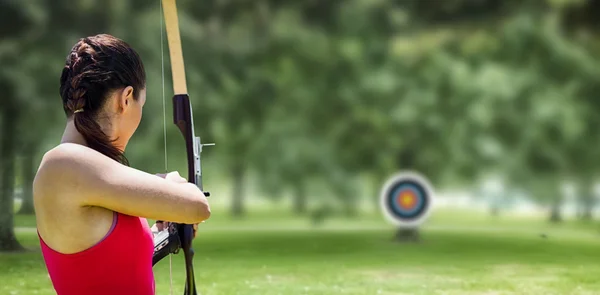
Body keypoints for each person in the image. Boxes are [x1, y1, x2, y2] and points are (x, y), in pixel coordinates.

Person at [33, 34, 211, 295]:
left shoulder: (81, 175)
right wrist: (170, 182)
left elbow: (106, 268)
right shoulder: (62, 163)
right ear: (126, 99)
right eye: (141, 104)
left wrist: (160, 235)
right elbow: (197, 206)